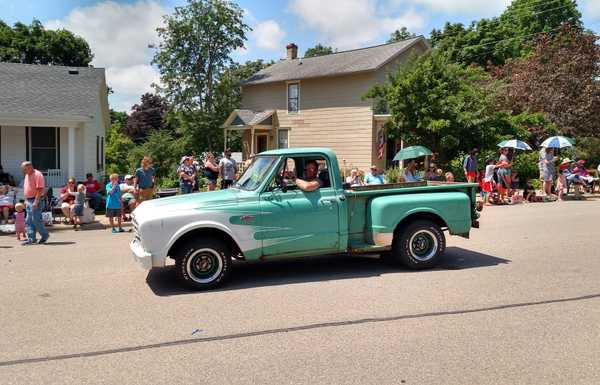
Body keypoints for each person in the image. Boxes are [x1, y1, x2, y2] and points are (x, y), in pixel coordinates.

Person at [21, 161, 49, 245]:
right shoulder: (27, 175)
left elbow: (40, 189)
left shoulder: (38, 174)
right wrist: (26, 200)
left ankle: (45, 236)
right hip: (29, 200)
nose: (23, 171)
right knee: (28, 220)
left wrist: (36, 201)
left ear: (30, 167)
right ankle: (31, 238)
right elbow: (26, 188)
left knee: (36, 220)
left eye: (25, 169)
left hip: (36, 200)